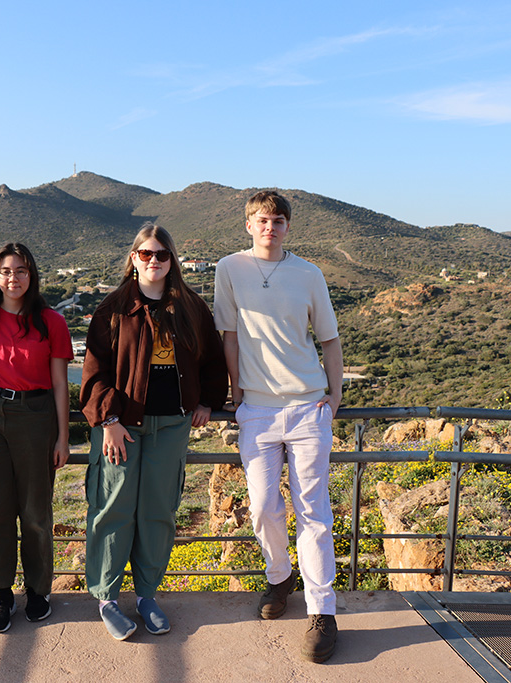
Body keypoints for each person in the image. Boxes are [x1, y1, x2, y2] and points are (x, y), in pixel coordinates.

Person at [81, 223, 228, 640]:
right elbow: (94, 373)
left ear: (171, 260)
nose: (154, 261)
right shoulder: (113, 309)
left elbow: (212, 360)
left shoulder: (191, 307)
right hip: (120, 427)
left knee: (158, 512)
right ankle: (107, 599)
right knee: (112, 509)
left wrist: (208, 402)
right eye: (146, 253)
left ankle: (147, 595)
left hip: (172, 425)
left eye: (162, 254)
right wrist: (108, 421)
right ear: (134, 258)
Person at [214, 191, 343, 663]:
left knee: (314, 512)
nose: (270, 227)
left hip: (308, 406)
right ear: (249, 225)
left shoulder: (309, 274)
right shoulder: (229, 268)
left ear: (288, 226)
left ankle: (322, 611)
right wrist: (236, 393)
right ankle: (279, 577)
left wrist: (335, 396)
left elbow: (329, 339)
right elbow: (229, 337)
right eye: (262, 220)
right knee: (264, 507)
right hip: (257, 411)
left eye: (279, 220)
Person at [0, 243, 73, 633]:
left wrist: (62, 438)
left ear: (31, 275)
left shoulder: (51, 322)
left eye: (21, 270)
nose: (13, 278)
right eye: (6, 271)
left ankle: (38, 590)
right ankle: (2, 593)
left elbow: (60, 383)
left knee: (35, 511)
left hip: (35, 415)